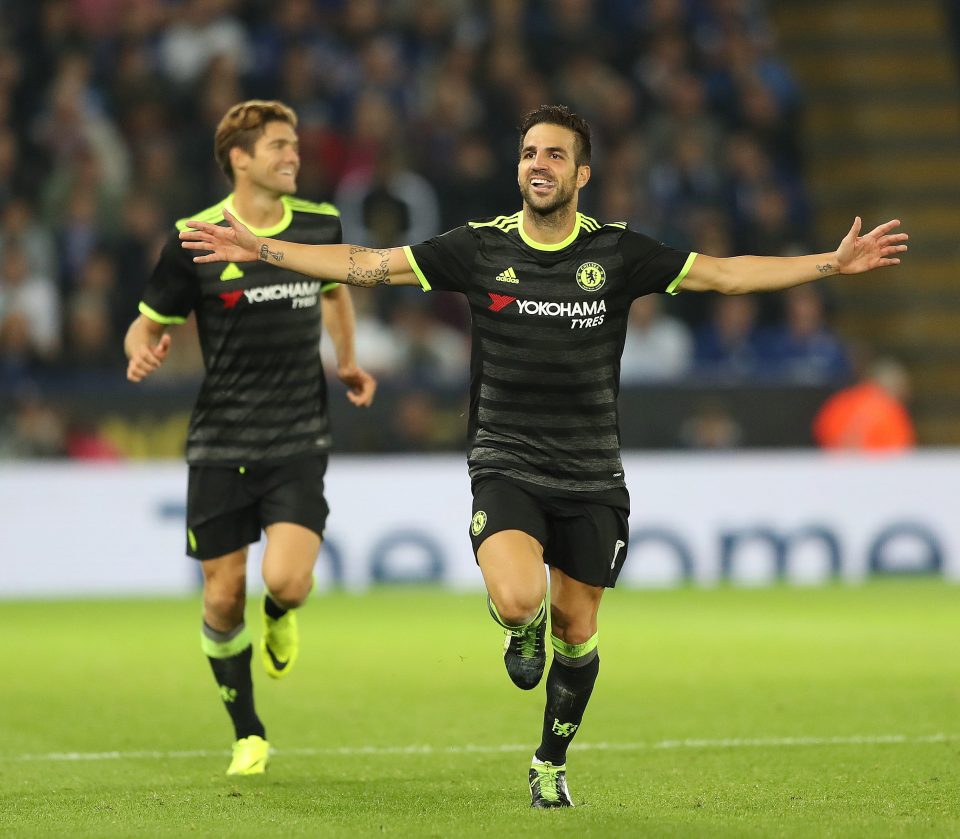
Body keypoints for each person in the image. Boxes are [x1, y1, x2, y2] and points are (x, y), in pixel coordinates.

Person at [179, 104, 908, 806]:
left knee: (580, 628)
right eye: (529, 153)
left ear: (581, 174)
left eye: (555, 154)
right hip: (506, 457)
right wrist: (263, 248)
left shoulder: (617, 253)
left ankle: (549, 762)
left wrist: (829, 265)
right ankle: (519, 624)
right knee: (521, 597)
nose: (539, 164)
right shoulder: (480, 246)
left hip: (593, 470)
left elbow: (723, 274)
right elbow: (367, 263)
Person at [124, 100, 376, 777]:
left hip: (296, 434)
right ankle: (248, 732)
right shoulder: (195, 237)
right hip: (221, 441)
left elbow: (337, 291)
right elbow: (146, 322)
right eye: (278, 146)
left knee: (287, 579)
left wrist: (346, 360)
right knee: (219, 596)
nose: (293, 155)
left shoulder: (319, 224)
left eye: (294, 145)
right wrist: (140, 352)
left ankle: (283, 612)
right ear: (240, 157)